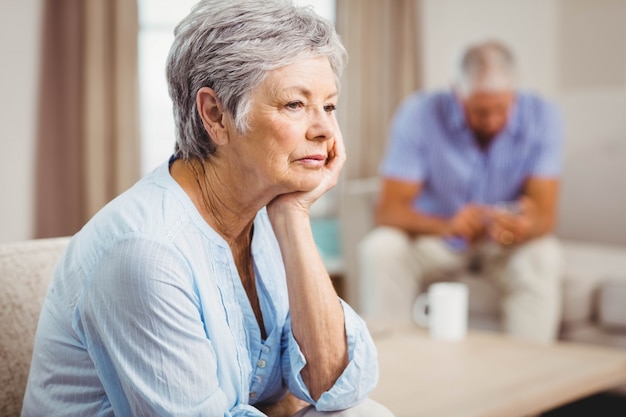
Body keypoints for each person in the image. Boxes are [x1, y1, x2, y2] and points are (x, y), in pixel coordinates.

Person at [22, 1, 394, 416]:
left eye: (328, 106)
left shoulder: (267, 209)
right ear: (215, 115)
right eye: (295, 104)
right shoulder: (146, 254)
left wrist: (294, 218)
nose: (325, 129)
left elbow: (336, 385)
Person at [358, 40, 565, 343]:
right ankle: (389, 364)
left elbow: (545, 214)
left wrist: (525, 225)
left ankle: (528, 371)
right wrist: (447, 224)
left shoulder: (543, 117)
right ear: (458, 92)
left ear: (514, 93)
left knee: (545, 255)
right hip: (438, 239)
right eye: (480, 112)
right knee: (380, 247)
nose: (492, 121)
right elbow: (388, 210)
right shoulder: (419, 113)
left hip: (503, 245)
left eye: (501, 109)